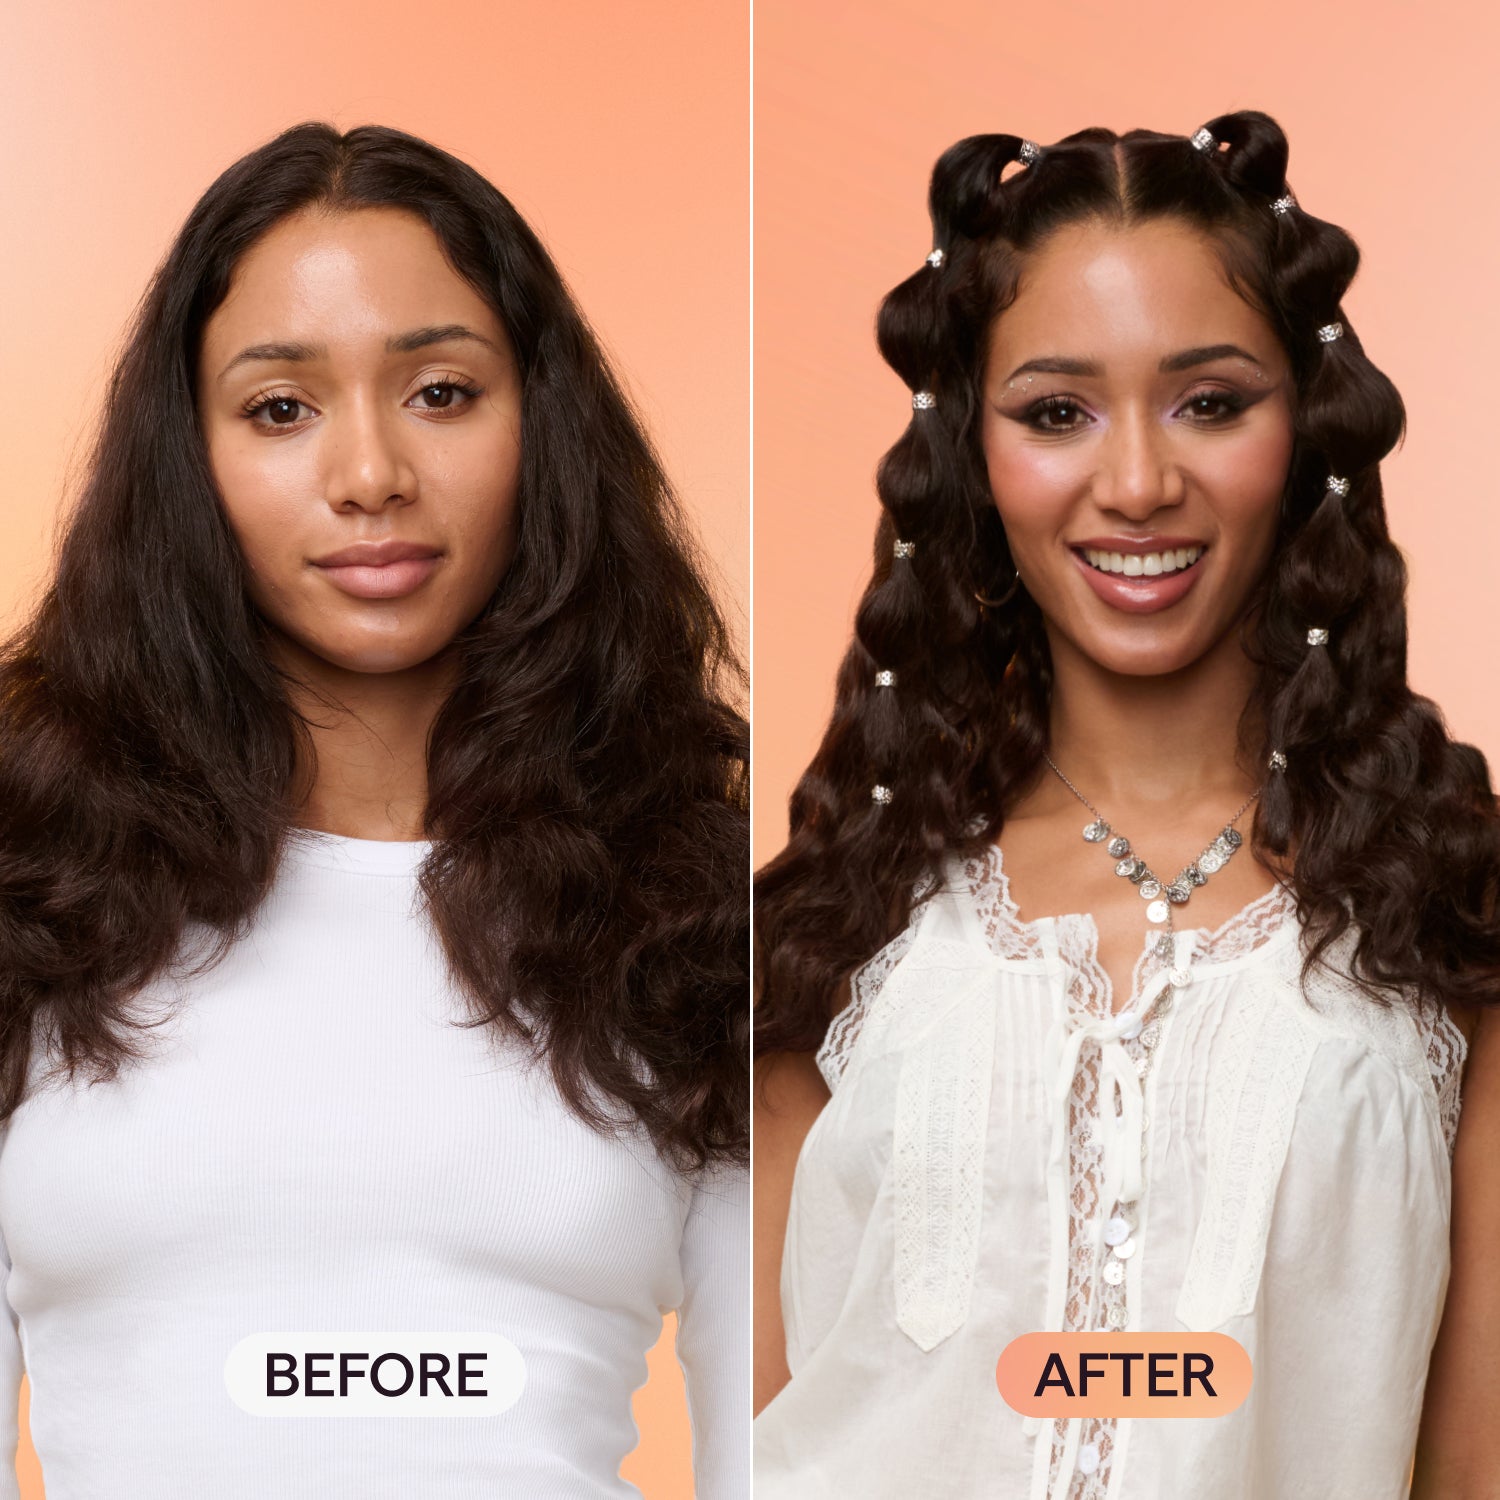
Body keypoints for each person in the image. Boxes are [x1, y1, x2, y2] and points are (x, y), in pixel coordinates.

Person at [752, 111, 1500, 1499]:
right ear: (973, 450)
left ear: (1310, 430)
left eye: (1211, 402)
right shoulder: (840, 920)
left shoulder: (1446, 930)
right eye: (1056, 412)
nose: (1140, 483)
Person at [0, 121, 749, 1499]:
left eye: (442, 392)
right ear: (187, 458)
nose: (368, 478)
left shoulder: (698, 897)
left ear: (542, 424)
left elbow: (778, 1449)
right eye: (281, 408)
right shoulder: (27, 873)